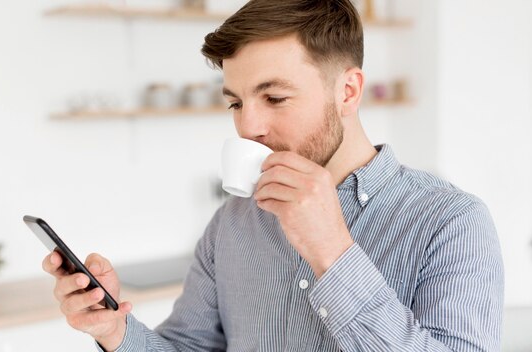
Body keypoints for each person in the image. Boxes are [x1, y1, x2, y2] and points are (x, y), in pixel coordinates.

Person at [42, 0, 504, 351]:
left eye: (275, 98)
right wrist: (115, 329)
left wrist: (332, 252)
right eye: (236, 103)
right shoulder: (232, 224)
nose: (248, 127)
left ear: (348, 91)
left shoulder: (451, 222)